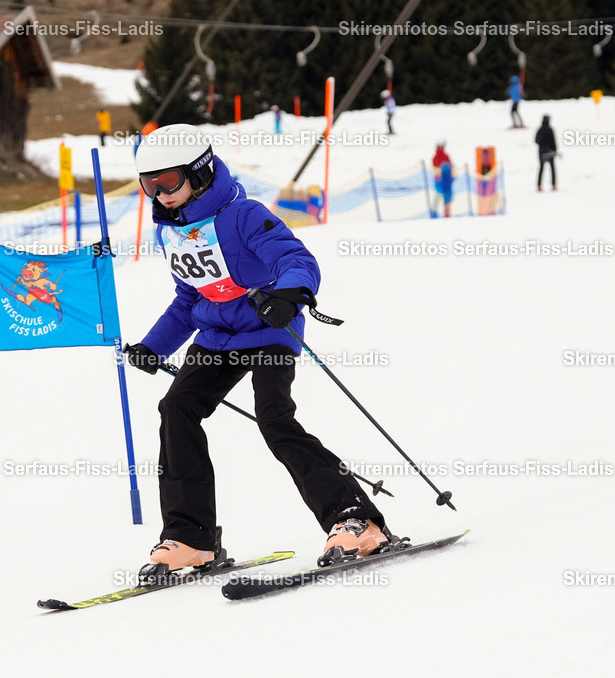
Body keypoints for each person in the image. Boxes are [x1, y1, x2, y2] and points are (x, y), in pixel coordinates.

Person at [124, 124, 393, 581]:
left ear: (201, 171)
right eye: (150, 185)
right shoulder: (171, 233)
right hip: (215, 339)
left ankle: (356, 521)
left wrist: (288, 295)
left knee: (274, 419)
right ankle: (190, 539)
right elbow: (190, 299)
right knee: (177, 408)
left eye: (169, 181)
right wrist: (154, 346)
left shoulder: (244, 215)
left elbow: (297, 259)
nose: (161, 195)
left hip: (267, 330)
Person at [535, 115, 557, 192]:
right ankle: (554, 185)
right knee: (552, 168)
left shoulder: (540, 130)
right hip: (550, 152)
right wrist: (554, 150)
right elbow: (554, 141)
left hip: (541, 152)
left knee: (541, 168)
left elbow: (536, 140)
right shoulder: (550, 130)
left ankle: (539, 185)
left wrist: (542, 146)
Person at [432, 142, 453, 217]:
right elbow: (451, 166)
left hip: (439, 180)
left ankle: (434, 213)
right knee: (446, 197)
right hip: (446, 180)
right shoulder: (445, 156)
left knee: (438, 196)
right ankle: (446, 213)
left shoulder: (435, 157)